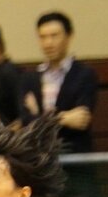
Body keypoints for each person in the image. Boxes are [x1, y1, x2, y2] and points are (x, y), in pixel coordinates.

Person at [28, 12, 98, 156]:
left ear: (69, 36)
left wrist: (40, 117)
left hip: (75, 156)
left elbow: (81, 120)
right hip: (39, 157)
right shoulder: (30, 78)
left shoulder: (84, 75)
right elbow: (26, 122)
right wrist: (63, 118)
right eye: (43, 37)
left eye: (54, 36)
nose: (48, 43)